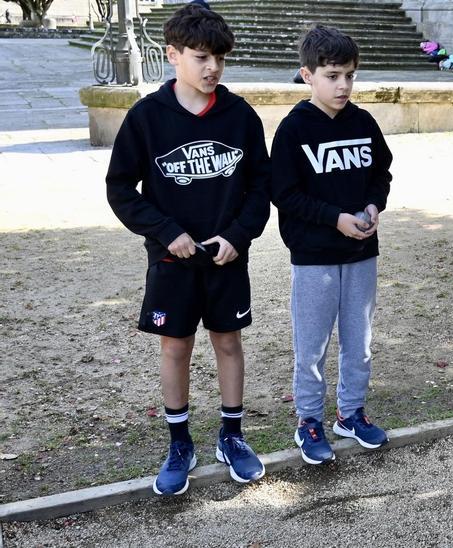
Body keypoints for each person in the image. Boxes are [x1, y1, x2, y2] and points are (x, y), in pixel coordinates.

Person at [104, 2, 270, 495]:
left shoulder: (240, 116)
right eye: (200, 56)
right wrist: (164, 231)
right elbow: (119, 189)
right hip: (170, 258)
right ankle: (180, 443)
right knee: (176, 346)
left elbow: (262, 187)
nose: (212, 67)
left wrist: (238, 236)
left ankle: (232, 437)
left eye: (219, 57)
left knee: (228, 342)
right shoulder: (147, 117)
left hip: (226, 256)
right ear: (173, 55)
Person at [268, 24, 394, 464]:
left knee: (358, 341)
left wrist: (374, 205)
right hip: (314, 257)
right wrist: (334, 219)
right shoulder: (293, 129)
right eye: (333, 75)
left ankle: (351, 413)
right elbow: (284, 194)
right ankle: (308, 420)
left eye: (350, 76)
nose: (343, 85)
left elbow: (381, 172)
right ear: (308, 75)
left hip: (361, 254)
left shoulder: (363, 122)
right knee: (313, 344)